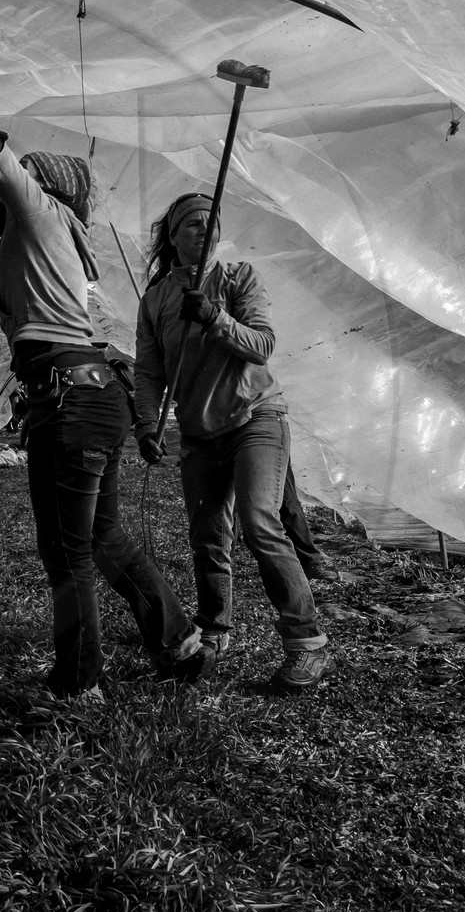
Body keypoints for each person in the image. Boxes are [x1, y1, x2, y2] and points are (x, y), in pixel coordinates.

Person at [0, 18, 202, 698]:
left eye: (16, 188)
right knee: (100, 537)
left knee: (68, 552)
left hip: (70, 400)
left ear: (40, 191)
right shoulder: (29, 256)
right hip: (80, 399)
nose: (3, 197)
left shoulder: (42, 218)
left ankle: (79, 687)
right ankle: (177, 640)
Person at [133, 193, 330, 688]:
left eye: (211, 223)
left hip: (255, 417)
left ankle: (306, 642)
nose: (204, 231)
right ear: (173, 236)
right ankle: (215, 629)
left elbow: (262, 346)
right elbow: (149, 372)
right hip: (199, 432)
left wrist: (215, 318)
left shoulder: (237, 278)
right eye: (192, 225)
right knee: (208, 537)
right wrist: (146, 425)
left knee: (259, 520)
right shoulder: (156, 300)